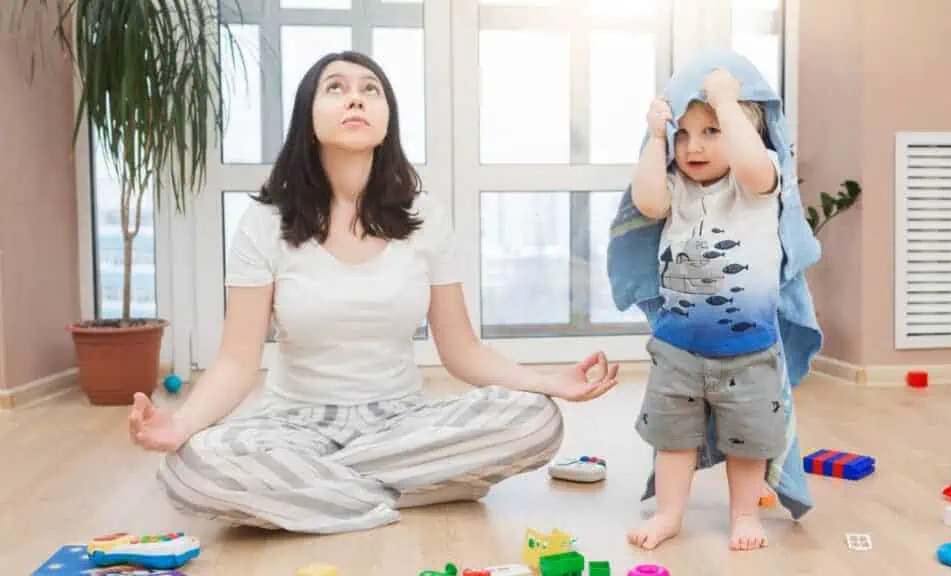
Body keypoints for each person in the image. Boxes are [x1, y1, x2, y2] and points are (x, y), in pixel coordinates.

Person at [127, 51, 619, 534]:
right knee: (191, 467)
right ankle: (416, 485)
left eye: (370, 90)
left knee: (536, 421)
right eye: (335, 88)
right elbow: (236, 362)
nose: (355, 99)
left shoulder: (425, 216)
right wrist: (180, 424)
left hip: (400, 422)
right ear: (308, 116)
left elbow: (462, 351)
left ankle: (320, 495)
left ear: (388, 120)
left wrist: (549, 382)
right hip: (292, 425)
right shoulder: (264, 222)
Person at [624, 67, 786, 552]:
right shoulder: (676, 188)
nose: (693, 147)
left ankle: (742, 514)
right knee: (672, 438)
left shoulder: (758, 182)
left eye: (711, 132)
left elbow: (754, 167)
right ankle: (670, 513)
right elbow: (648, 202)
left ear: (744, 131)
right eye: (684, 135)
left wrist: (728, 103)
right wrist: (656, 139)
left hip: (748, 348)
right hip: (678, 348)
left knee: (749, 439)